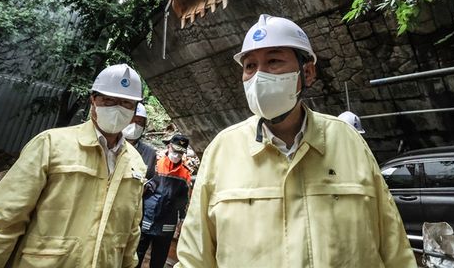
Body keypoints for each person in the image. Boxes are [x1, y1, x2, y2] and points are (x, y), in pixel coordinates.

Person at [175, 14, 416, 268]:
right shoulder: (222, 151)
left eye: (274, 61)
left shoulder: (348, 142)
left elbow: (394, 248)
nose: (259, 76)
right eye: (250, 66)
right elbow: (194, 258)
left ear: (308, 72)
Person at [0, 64, 147, 268]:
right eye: (109, 100)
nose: (117, 109)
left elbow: (131, 233)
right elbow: (2, 221)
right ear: (93, 101)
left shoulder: (135, 163)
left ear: (134, 110)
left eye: (126, 103)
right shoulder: (51, 145)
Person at [138, 133, 192, 268]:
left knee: (159, 259)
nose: (177, 155)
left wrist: (182, 222)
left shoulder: (185, 174)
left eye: (181, 152)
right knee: (136, 255)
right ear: (169, 147)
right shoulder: (155, 163)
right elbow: (141, 189)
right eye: (175, 150)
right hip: (147, 218)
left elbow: (183, 202)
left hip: (167, 224)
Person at [123, 102, 157, 179]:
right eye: (131, 120)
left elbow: (152, 180)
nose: (134, 125)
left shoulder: (149, 153)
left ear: (144, 126)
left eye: (139, 122)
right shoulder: (110, 145)